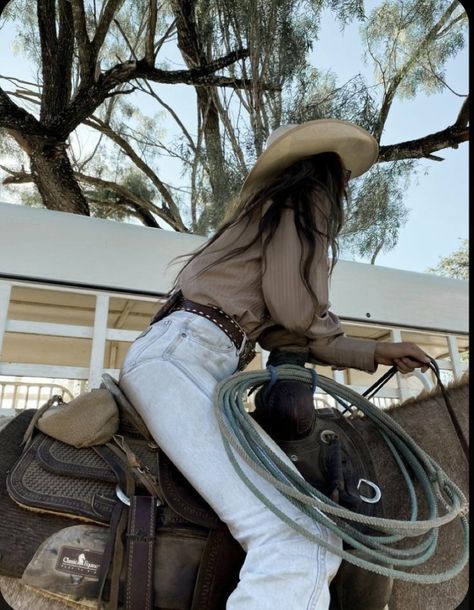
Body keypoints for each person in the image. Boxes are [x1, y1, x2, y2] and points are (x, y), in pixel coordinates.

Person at [119, 119, 430, 609]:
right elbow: (295, 305)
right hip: (187, 357)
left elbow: (287, 326)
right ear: (324, 172)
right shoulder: (304, 201)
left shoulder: (261, 217)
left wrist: (372, 351)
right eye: (342, 176)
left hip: (184, 354)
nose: (345, 185)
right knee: (300, 543)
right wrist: (354, 339)